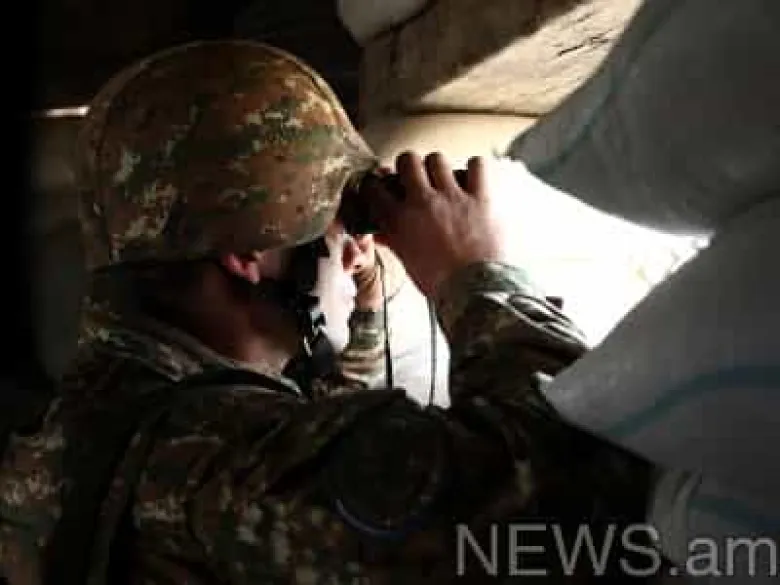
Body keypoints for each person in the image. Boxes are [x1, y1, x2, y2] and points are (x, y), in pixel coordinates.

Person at [0, 40, 661, 584]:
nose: (358, 253)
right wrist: (474, 274)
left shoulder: (92, 427)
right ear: (249, 255)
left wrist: (354, 314)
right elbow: (587, 499)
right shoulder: (224, 456)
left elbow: (311, 452)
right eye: (344, 223)